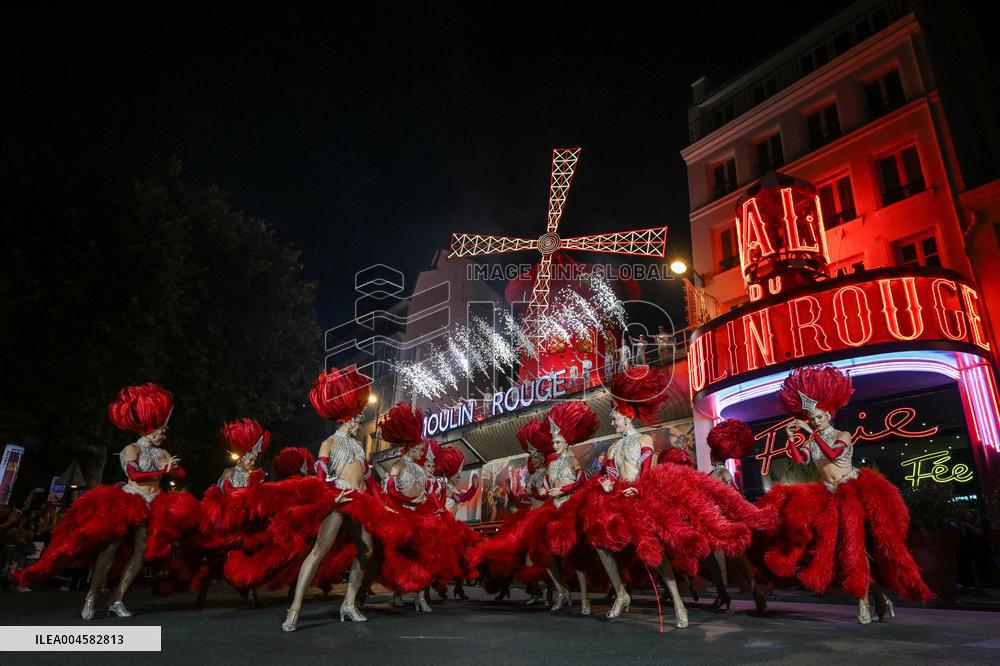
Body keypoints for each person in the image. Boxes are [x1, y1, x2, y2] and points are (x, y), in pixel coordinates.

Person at [581, 366, 775, 626]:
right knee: (599, 540)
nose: (613, 421)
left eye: (615, 417)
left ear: (626, 416)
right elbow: (612, 476)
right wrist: (608, 487)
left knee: (656, 551)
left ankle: (680, 603)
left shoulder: (644, 439)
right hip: (619, 500)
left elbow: (646, 469)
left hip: (642, 496)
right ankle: (621, 594)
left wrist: (637, 488)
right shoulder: (612, 448)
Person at [756, 364, 933, 623]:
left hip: (852, 491)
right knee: (840, 551)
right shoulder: (812, 438)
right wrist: (790, 439)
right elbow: (800, 459)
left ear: (828, 415)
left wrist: (811, 435)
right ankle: (881, 599)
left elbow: (833, 454)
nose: (816, 421)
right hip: (827, 495)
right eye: (812, 418)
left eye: (819, 417)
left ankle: (863, 603)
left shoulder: (843, 435)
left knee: (856, 547)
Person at [14, 383, 199, 619]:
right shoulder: (131, 449)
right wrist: (164, 471)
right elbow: (134, 475)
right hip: (130, 502)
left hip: (154, 503)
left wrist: (172, 469)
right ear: (150, 430)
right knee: (110, 549)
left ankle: (117, 599)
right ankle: (91, 597)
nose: (165, 434)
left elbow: (180, 473)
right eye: (162, 430)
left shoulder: (162, 453)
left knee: (141, 552)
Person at [281, 367, 377, 631]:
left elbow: (368, 479)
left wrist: (378, 502)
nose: (360, 424)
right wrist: (337, 489)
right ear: (347, 420)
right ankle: (295, 608)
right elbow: (320, 479)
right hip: (338, 498)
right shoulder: (329, 443)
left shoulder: (359, 446)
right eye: (358, 420)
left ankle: (349, 602)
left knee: (367, 551)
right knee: (319, 551)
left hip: (360, 501)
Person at [702, 419, 768, 613]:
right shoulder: (715, 473)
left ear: (716, 454)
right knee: (714, 556)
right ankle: (728, 593)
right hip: (713, 520)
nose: (711, 455)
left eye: (712, 452)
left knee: (734, 555)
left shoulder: (723, 474)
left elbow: (732, 494)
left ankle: (750, 591)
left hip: (722, 520)